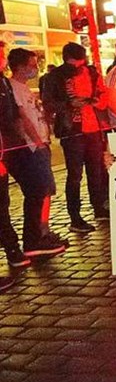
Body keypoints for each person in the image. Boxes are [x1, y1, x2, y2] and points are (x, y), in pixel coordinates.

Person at [42, 42, 110, 234]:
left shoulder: (92, 73)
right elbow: (49, 103)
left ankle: (99, 206)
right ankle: (75, 216)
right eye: (74, 63)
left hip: (93, 127)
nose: (78, 67)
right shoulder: (55, 77)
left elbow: (103, 95)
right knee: (75, 175)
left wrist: (97, 101)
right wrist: (69, 104)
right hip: (72, 130)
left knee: (96, 171)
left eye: (81, 62)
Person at [5, 48, 65, 257]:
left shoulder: (24, 87)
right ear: (20, 67)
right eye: (32, 65)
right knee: (37, 192)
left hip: (40, 143)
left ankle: (42, 232)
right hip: (31, 147)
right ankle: (33, 239)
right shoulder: (13, 87)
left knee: (44, 191)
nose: (36, 69)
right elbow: (21, 117)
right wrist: (36, 142)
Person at [0, 43, 31, 269]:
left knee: (4, 203)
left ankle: (13, 247)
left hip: (8, 148)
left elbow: (12, 115)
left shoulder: (3, 82)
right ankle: (12, 248)